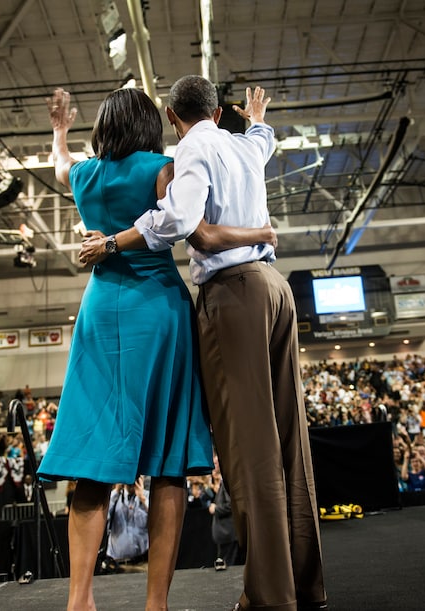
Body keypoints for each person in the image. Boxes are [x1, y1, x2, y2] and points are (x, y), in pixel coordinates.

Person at [80, 77, 327, 611]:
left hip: (234, 295)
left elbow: (182, 219)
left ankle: (270, 598)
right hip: (276, 292)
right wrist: (258, 118)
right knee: (290, 445)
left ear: (173, 117)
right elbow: (265, 141)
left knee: (248, 451)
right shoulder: (243, 141)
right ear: (219, 111)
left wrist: (112, 241)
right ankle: (305, 586)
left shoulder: (191, 146)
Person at [36, 86, 272, 611]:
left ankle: (79, 599)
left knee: (94, 465)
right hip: (160, 312)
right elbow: (190, 226)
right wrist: (257, 225)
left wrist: (58, 130)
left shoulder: (84, 176)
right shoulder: (163, 167)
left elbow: (59, 165)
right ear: (153, 123)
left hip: (101, 311)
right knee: (167, 463)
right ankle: (156, 604)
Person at [104, 477, 149, 573]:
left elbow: (158, 521)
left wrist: (143, 499)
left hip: (142, 565)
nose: (133, 480)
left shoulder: (148, 497)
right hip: (116, 565)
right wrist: (116, 490)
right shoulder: (114, 498)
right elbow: (103, 517)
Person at [208, 456, 239, 571]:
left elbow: (231, 505)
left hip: (227, 533)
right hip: (224, 534)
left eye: (216, 463)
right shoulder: (223, 482)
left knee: (227, 569)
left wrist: (215, 509)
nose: (214, 465)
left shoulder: (227, 482)